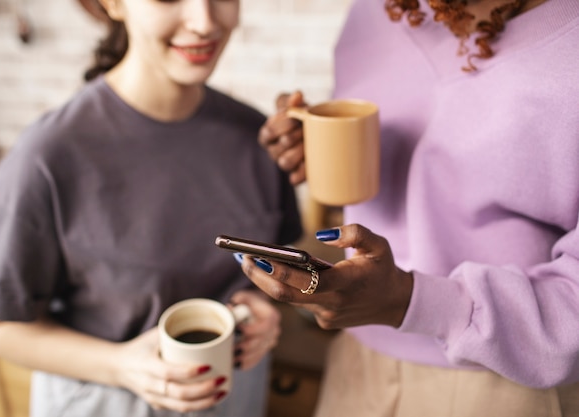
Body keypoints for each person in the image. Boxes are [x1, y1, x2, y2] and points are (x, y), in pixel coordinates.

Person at [242, 0, 579, 416]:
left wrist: (415, 302)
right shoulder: (374, 11)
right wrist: (318, 148)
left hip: (505, 385)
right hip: (357, 359)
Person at [0, 0, 302, 416]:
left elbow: (272, 268)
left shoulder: (256, 137)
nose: (204, 21)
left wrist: (263, 308)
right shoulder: (48, 157)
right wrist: (121, 366)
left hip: (236, 399)